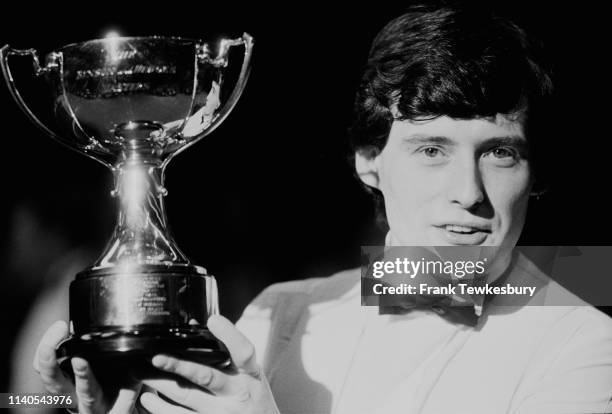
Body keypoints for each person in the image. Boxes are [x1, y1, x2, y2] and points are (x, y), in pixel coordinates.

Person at [34, 2, 612, 413]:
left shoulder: (584, 344)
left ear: (536, 174)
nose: (470, 191)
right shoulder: (280, 316)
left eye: (500, 154)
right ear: (368, 161)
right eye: (432, 149)